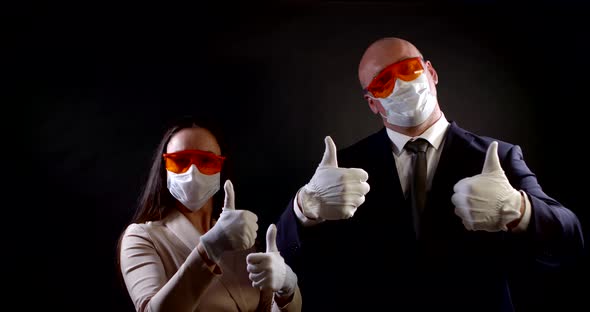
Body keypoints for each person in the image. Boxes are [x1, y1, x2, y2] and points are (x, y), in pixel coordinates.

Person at [275, 37, 585, 311]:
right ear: (373, 103)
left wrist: (519, 209)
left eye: (408, 69)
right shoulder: (341, 167)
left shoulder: (497, 157)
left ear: (431, 73)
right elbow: (291, 258)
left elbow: (570, 240)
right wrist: (304, 207)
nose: (400, 84)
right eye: (384, 81)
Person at [117, 118, 301, 311]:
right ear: (165, 167)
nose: (193, 171)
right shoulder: (142, 237)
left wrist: (287, 288)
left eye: (206, 161)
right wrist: (211, 248)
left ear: (221, 167)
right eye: (180, 161)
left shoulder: (240, 240)